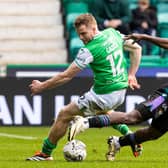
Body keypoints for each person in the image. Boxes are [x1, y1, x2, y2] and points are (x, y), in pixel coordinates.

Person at [26, 13, 142, 161]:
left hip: (104, 93)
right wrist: (131, 74)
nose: (81, 38)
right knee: (103, 112)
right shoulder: (113, 33)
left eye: (83, 33)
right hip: (120, 91)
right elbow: (136, 48)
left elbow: (66, 76)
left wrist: (41, 86)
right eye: (78, 34)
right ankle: (130, 137)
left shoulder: (89, 50)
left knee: (64, 114)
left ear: (94, 29)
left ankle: (45, 154)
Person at [69, 83, 168, 161]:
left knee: (154, 133)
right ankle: (86, 122)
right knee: (133, 117)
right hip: (163, 98)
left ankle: (117, 143)